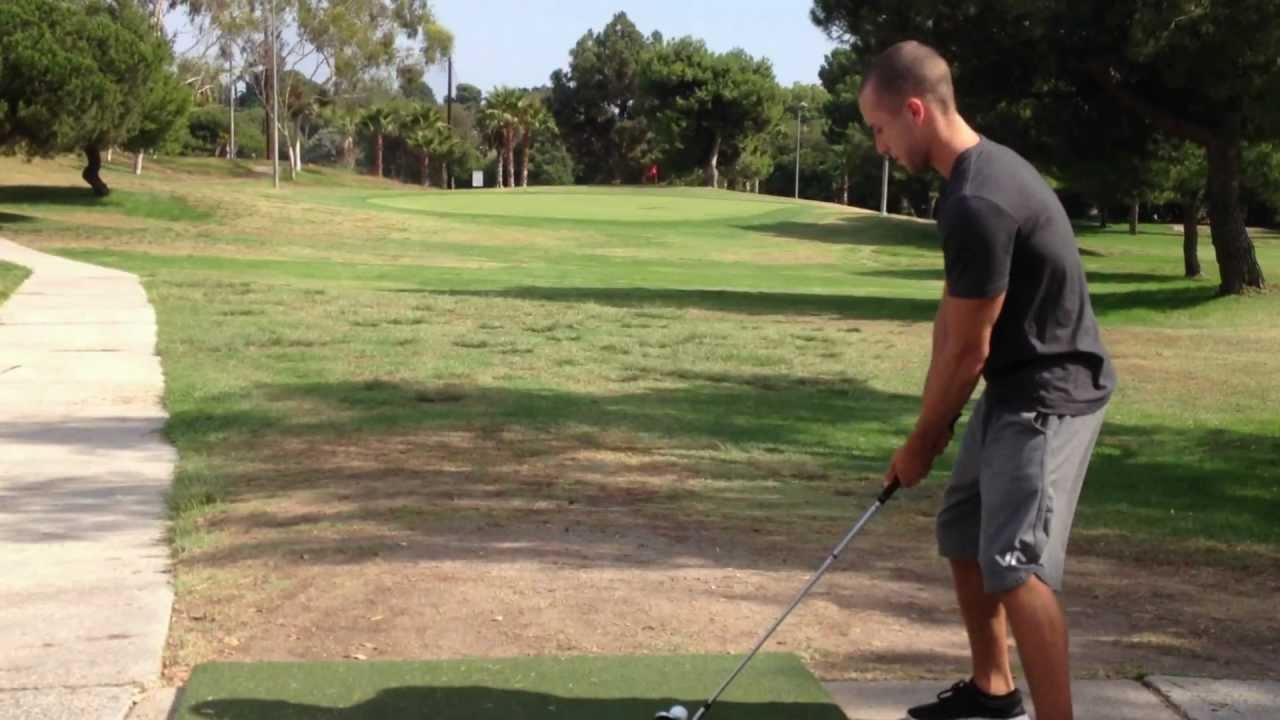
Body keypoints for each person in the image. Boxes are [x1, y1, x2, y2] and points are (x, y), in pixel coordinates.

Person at [857, 41, 1116, 720]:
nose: (880, 146)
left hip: (1051, 394)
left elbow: (969, 350)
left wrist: (921, 443)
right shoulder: (966, 185)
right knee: (964, 526)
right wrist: (927, 423)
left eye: (880, 129)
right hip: (1014, 385)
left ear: (915, 110)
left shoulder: (979, 198)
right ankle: (993, 691)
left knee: (1016, 564)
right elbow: (953, 320)